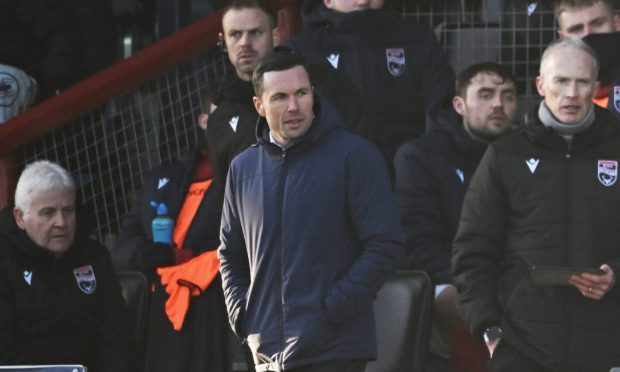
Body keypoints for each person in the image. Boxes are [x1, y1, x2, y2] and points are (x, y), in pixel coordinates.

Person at [218, 51, 404, 372]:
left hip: (334, 350)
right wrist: (243, 315)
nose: (294, 106)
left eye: (301, 93)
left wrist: (331, 310)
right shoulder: (242, 169)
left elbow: (386, 245)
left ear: (312, 94)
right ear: (259, 107)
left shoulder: (356, 156)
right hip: (265, 353)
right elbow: (230, 254)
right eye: (280, 98)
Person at [452, 37, 620, 372]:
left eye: (582, 81)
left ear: (596, 87)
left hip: (607, 342)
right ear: (541, 85)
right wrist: (489, 329)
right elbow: (473, 251)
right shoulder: (505, 154)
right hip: (522, 345)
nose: (571, 93)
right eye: (561, 81)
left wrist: (617, 274)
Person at [394, 62, 518, 372]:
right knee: (467, 304)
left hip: (511, 279)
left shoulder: (526, 154)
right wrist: (477, 282)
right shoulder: (420, 155)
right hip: (445, 279)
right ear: (458, 105)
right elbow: (417, 243)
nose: (498, 105)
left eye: (508, 96)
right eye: (486, 95)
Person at [111, 92, 231, 371]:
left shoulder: (251, 174)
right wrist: (145, 254)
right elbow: (124, 243)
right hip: (158, 308)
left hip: (215, 310)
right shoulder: (163, 178)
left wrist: (188, 258)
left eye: (234, 117)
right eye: (220, 115)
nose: (228, 123)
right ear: (202, 120)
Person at [207, 0, 371, 191]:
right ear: (223, 42)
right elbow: (225, 201)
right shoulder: (220, 120)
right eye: (235, 34)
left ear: (275, 36)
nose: (245, 43)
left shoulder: (324, 85)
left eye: (255, 33)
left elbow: (367, 153)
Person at [285, 0, 455, 176]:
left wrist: (420, 160)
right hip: (332, 175)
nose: (364, 1)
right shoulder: (301, 50)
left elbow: (441, 108)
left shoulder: (417, 38)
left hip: (409, 173)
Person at [0, 160, 136, 371]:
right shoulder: (5, 260)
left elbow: (117, 341)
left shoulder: (94, 256)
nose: (61, 222)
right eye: (48, 213)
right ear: (20, 218)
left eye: (68, 211)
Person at [555, 0, 620, 117]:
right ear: (563, 38)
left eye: (598, 24)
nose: (588, 34)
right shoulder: (554, 94)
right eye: (576, 29)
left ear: (617, 23)